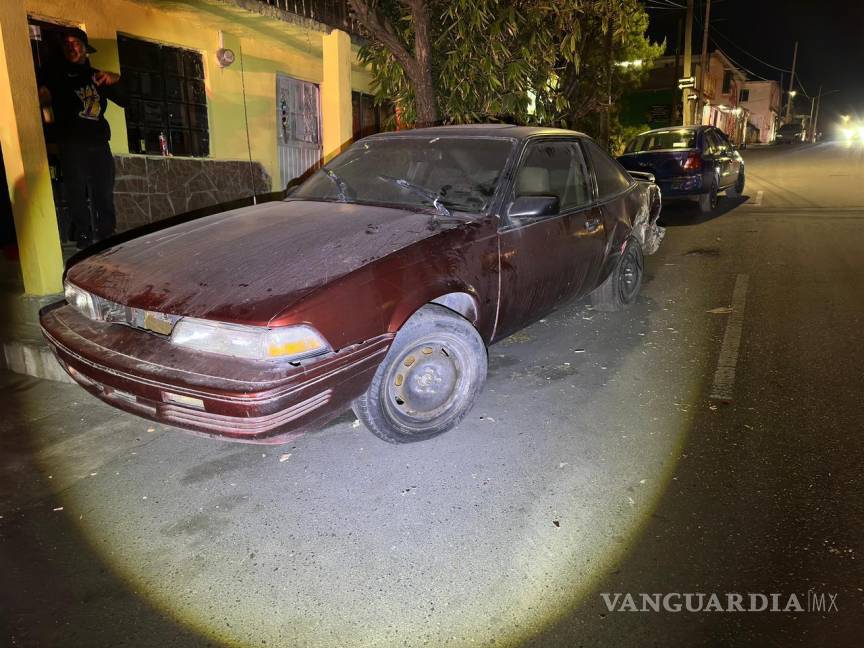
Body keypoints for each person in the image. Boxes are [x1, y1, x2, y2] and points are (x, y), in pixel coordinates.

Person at [39, 29, 126, 249]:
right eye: (67, 43)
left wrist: (116, 79)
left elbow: (125, 101)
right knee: (76, 191)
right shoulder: (56, 75)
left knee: (104, 190)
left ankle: (107, 233)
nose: (71, 47)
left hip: (99, 142)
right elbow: (42, 100)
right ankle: (84, 236)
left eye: (76, 43)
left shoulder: (97, 76)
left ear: (86, 49)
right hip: (72, 143)